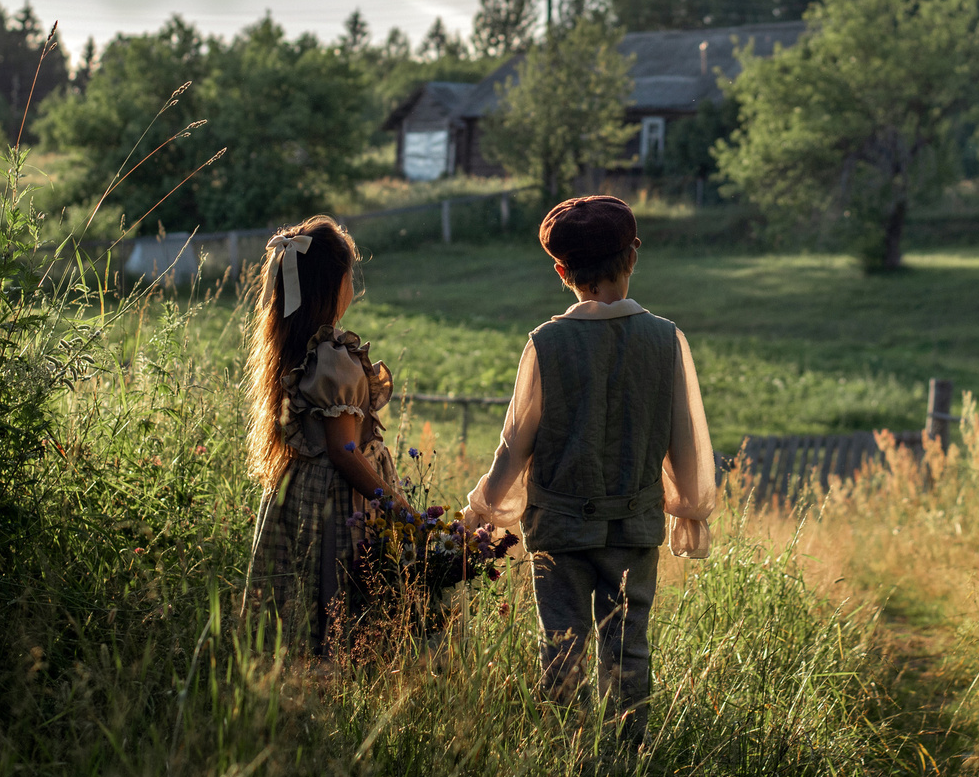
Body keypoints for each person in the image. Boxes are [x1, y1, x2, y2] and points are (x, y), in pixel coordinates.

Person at [460, 195, 715, 744]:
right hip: (635, 525)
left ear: (561, 271)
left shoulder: (546, 343)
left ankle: (565, 762)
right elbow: (685, 440)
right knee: (629, 649)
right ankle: (627, 764)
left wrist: (483, 508)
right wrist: (689, 505)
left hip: (559, 526)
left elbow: (515, 444)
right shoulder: (664, 339)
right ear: (633, 258)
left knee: (562, 648)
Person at [240, 216, 411, 656]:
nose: (353, 284)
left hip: (299, 490)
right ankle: (336, 671)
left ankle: (303, 668)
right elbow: (344, 450)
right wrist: (396, 506)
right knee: (338, 591)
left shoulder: (296, 346)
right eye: (350, 275)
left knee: (301, 590)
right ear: (334, 285)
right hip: (338, 499)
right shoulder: (334, 358)